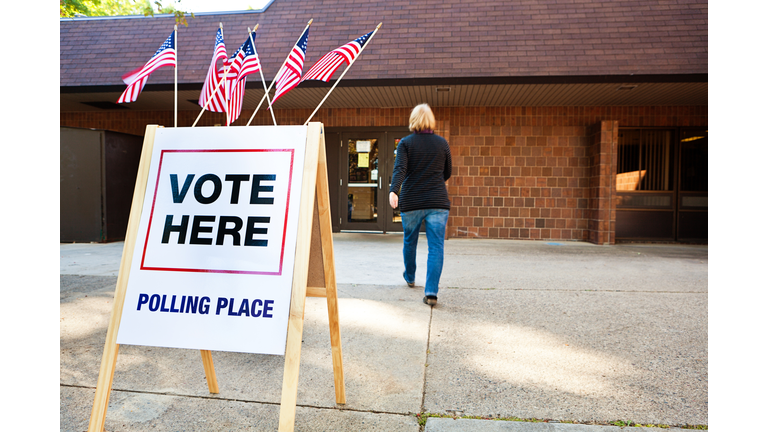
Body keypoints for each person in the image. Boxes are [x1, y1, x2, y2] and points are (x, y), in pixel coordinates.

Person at [389, 103, 452, 307]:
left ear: (413, 120)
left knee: (410, 241)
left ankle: (410, 276)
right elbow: (447, 172)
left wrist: (393, 190)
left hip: (412, 200)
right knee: (436, 246)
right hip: (437, 201)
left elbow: (400, 169)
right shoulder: (442, 143)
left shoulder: (406, 143)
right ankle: (431, 292)